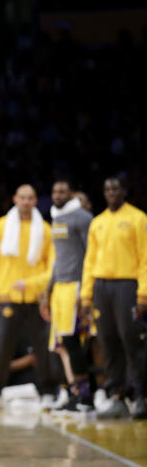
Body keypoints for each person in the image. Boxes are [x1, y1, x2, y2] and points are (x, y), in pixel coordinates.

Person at [0, 184, 55, 410]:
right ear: (15, 198)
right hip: (8, 296)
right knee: (3, 346)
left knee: (42, 347)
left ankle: (48, 392)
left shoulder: (45, 229)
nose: (26, 201)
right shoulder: (0, 226)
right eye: (22, 197)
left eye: (30, 198)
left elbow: (52, 267)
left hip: (36, 298)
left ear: (35, 201)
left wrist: (33, 285)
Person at [80, 178, 147, 419]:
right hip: (101, 286)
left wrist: (143, 294)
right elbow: (89, 261)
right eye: (107, 189)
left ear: (124, 191)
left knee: (131, 340)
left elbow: (145, 258)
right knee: (108, 341)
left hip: (127, 285)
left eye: (115, 188)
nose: (111, 192)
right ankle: (116, 395)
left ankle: (141, 396)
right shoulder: (98, 222)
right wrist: (86, 296)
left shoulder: (138, 219)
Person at [41, 180, 94, 411]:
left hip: (77, 285)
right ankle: (74, 393)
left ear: (70, 194)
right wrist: (48, 288)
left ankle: (86, 396)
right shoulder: (56, 218)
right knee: (64, 344)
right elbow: (58, 258)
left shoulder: (82, 218)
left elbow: (91, 255)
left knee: (75, 342)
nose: (58, 194)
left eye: (63, 191)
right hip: (60, 287)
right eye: (55, 191)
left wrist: (86, 291)